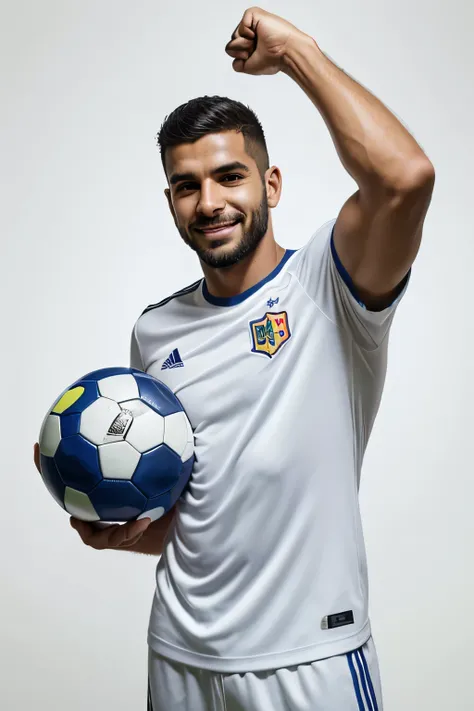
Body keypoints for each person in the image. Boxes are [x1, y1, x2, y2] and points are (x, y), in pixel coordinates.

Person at [34, 7, 435, 710]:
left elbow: (404, 177)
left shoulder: (330, 282)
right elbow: (195, 516)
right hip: (181, 657)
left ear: (270, 185)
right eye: (188, 186)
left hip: (309, 661)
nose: (210, 202)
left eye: (229, 176)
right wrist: (118, 531)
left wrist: (297, 54)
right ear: (171, 201)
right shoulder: (155, 332)